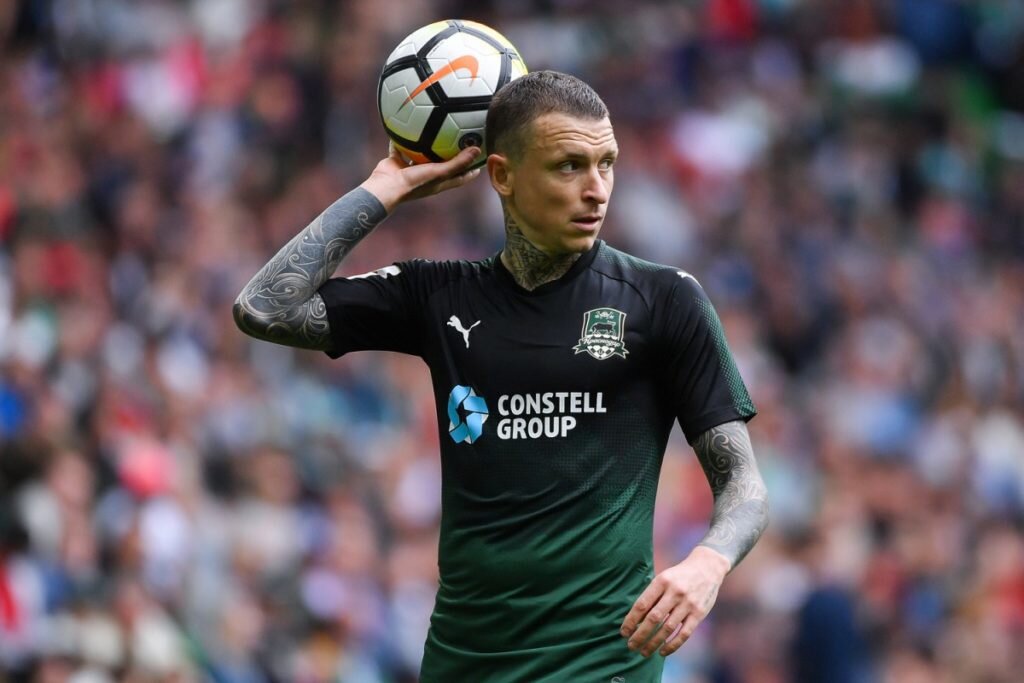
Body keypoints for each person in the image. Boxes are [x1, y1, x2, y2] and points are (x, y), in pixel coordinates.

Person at [234, 70, 769, 682]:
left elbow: (745, 487)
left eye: (607, 164)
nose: (597, 190)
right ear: (502, 176)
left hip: (600, 661)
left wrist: (709, 562)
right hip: (465, 662)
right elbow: (263, 308)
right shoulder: (438, 296)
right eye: (569, 166)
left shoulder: (664, 300)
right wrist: (383, 188)